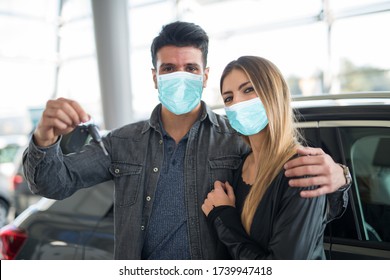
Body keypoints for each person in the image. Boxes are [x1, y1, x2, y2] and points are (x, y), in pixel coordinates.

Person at [23, 21, 350, 260]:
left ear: (204, 76)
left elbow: (288, 190)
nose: (180, 77)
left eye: (190, 68)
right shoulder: (123, 142)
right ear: (155, 76)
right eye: (168, 68)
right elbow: (54, 184)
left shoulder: (236, 139)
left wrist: (340, 178)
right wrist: (44, 138)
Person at [202, 56, 331, 259]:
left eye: (248, 89)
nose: (237, 102)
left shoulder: (302, 173)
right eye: (228, 98)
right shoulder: (238, 165)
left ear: (272, 93)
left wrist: (223, 218)